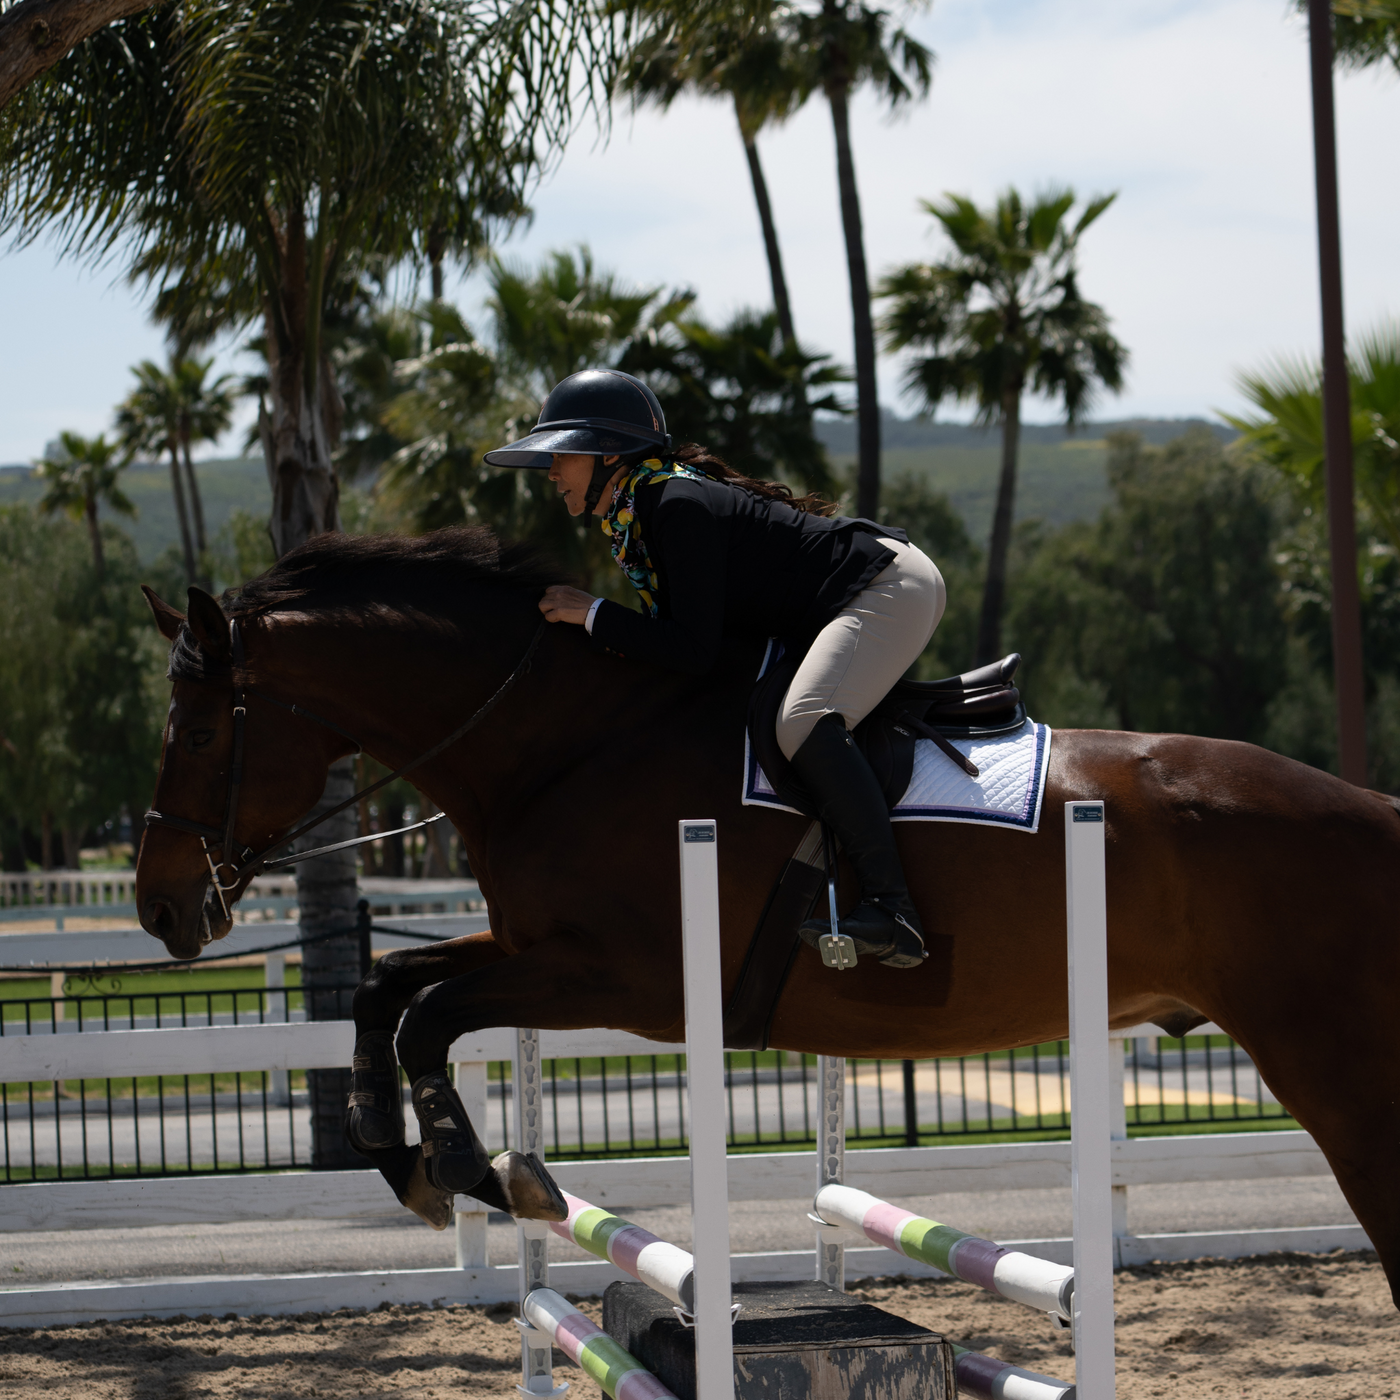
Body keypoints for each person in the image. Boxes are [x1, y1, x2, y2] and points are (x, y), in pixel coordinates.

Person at [484, 369, 945, 969]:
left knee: (803, 720)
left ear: (607, 454)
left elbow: (693, 648)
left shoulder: (673, 504)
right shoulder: (648, 507)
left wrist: (595, 614)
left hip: (888, 587)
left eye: (561, 456)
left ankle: (893, 910)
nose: (550, 473)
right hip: (851, 595)